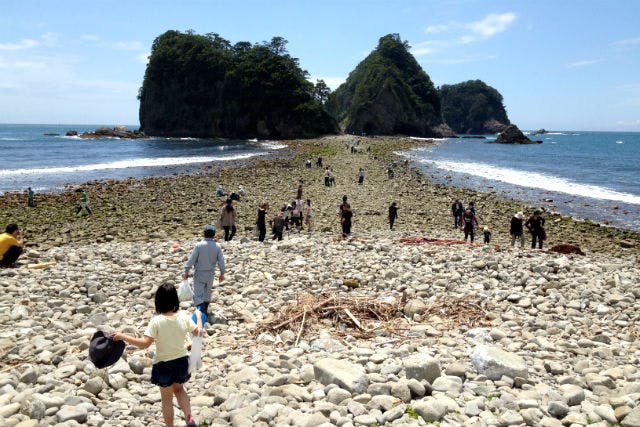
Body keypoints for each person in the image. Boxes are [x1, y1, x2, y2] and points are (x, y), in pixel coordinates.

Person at [112, 284, 202, 427]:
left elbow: (144, 344)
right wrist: (198, 317)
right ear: (175, 300)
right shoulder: (183, 317)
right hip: (182, 361)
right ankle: (189, 418)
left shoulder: (156, 321)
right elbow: (198, 332)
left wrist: (123, 336)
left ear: (158, 302)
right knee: (180, 390)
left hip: (163, 364)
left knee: (166, 399)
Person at [182, 225, 225, 318]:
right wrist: (222, 273)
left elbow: (192, 259)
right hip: (210, 273)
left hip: (200, 272)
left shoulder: (199, 245)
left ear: (204, 234)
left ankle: (201, 313)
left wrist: (186, 271)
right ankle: (205, 311)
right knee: (207, 292)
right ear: (214, 235)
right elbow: (221, 261)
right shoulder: (217, 246)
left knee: (198, 294)